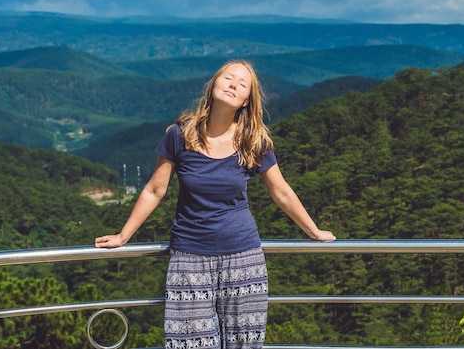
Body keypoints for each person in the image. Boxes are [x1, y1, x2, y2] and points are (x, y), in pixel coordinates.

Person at [95, 59, 336, 349]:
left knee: (243, 345)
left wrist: (314, 231)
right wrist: (124, 235)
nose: (233, 84)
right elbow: (155, 190)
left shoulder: (252, 140)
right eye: (228, 78)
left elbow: (281, 192)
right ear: (213, 86)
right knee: (188, 343)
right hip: (189, 258)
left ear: (247, 100)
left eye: (242, 83)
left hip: (244, 259)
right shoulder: (179, 135)